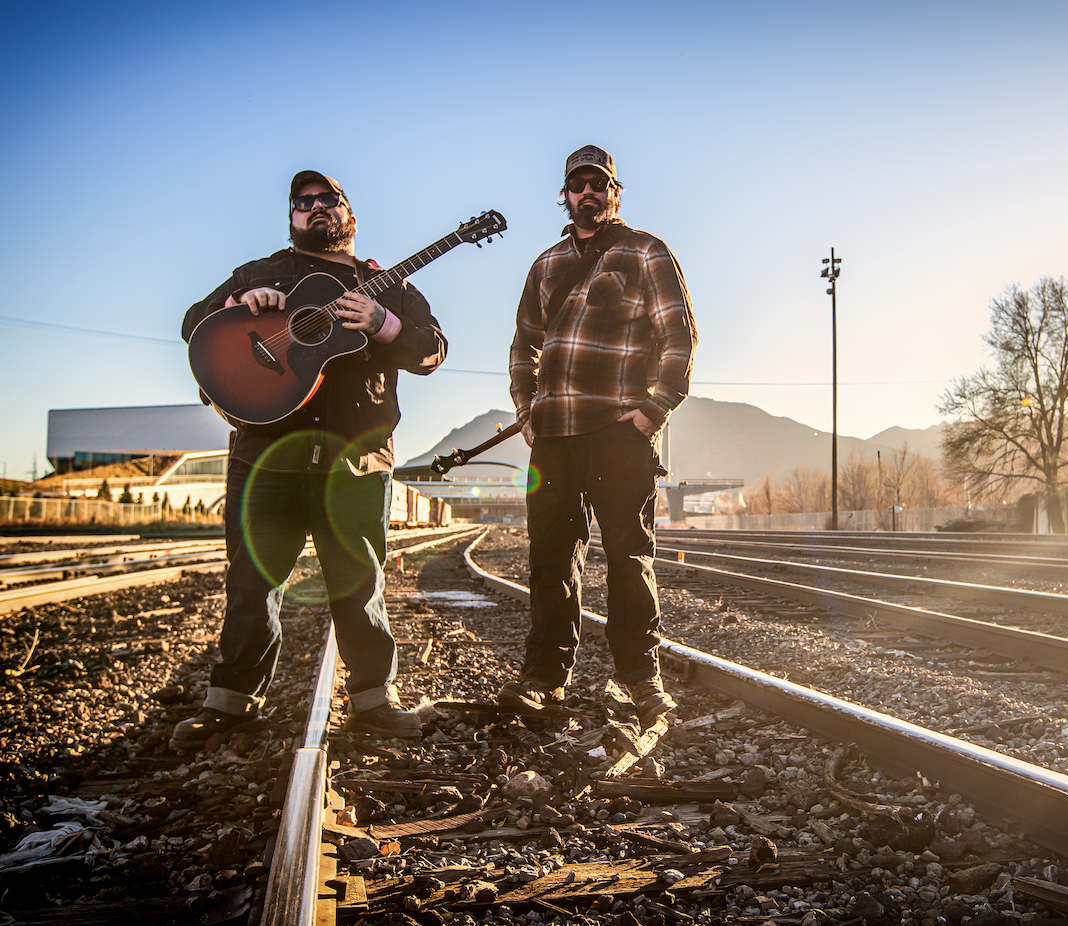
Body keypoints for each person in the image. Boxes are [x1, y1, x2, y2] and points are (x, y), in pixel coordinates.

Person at [172, 170, 447, 748]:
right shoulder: (259, 274)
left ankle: (375, 700)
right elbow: (192, 323)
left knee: (359, 582)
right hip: (266, 454)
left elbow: (433, 350)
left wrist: (384, 324)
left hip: (358, 456)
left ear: (349, 214)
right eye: (303, 203)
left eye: (329, 200)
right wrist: (238, 304)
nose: (316, 208)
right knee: (251, 582)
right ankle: (230, 705)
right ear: (292, 216)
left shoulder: (386, 286)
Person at [504, 145, 698, 724]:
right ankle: (543, 679)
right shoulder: (545, 265)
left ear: (615, 192)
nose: (587, 192)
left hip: (619, 433)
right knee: (550, 559)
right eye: (576, 184)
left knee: (628, 556)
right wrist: (527, 412)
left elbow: (680, 338)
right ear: (564, 195)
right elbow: (523, 346)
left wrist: (652, 412)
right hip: (555, 436)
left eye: (599, 183)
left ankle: (639, 680)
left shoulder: (645, 251)